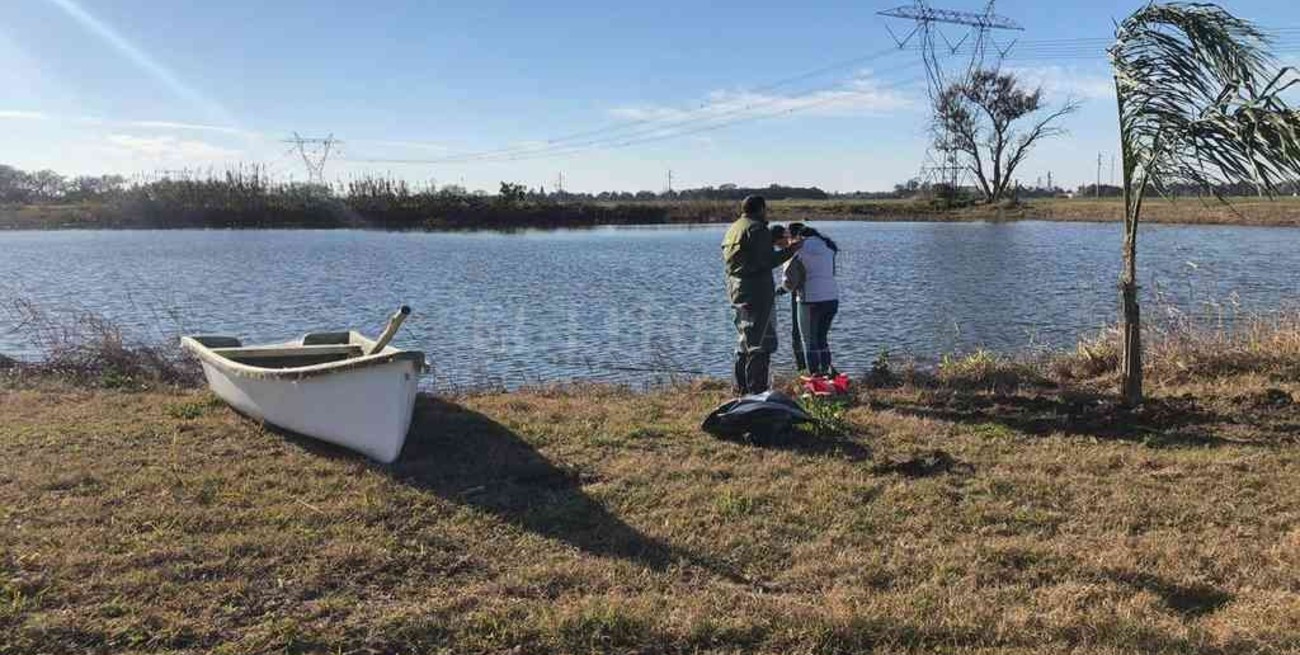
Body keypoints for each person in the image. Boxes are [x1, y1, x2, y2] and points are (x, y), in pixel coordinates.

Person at [721, 195, 801, 394]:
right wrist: (792, 249)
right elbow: (767, 260)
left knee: (745, 339)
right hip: (757, 292)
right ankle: (757, 392)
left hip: (736, 289)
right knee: (761, 342)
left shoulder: (734, 228)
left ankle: (740, 389)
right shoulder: (757, 228)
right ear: (761, 209)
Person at [789, 222, 839, 376]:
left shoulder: (799, 248)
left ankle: (815, 375)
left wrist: (782, 290)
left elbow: (790, 275)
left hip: (810, 298)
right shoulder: (828, 248)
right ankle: (827, 371)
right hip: (832, 298)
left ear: (797, 236)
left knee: (809, 341)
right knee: (822, 338)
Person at [774, 226, 808, 373]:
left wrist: (777, 292)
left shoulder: (793, 253)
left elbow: (790, 282)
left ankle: (803, 369)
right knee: (816, 336)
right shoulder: (813, 248)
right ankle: (820, 369)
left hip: (802, 295)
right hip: (822, 295)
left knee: (797, 334)